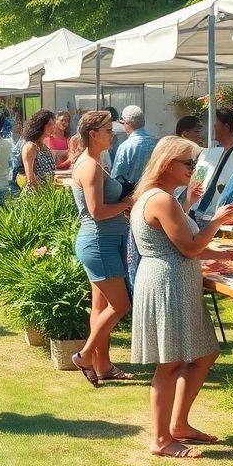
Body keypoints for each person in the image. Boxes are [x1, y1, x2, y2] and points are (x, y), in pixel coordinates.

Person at [130, 136, 233, 459]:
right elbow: (189, 247)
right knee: (170, 363)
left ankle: (178, 425)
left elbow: (182, 243)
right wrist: (218, 222)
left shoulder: (162, 197)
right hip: (168, 284)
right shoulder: (161, 200)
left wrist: (215, 252)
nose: (193, 170)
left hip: (172, 278)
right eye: (188, 164)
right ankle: (161, 439)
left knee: (204, 352)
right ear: (167, 165)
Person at [70, 111, 135, 385]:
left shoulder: (95, 162)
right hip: (100, 242)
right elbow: (96, 211)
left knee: (101, 306)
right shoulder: (90, 166)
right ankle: (85, 356)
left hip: (103, 241)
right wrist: (128, 203)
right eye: (108, 129)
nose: (113, 133)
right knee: (120, 305)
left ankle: (104, 365)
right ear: (93, 134)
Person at [113, 105, 157, 288]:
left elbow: (117, 178)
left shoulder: (126, 146)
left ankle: (136, 292)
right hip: (156, 200)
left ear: (127, 124)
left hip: (132, 203)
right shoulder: (157, 144)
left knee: (134, 252)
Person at [193, 109, 233, 217]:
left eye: (215, 125)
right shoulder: (216, 150)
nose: (212, 128)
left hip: (220, 210)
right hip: (202, 210)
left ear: (226, 127)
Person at [20, 110, 57, 191]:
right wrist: (43, 194)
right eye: (50, 124)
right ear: (40, 125)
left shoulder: (44, 147)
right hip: (36, 195)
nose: (53, 127)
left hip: (48, 192)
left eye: (54, 124)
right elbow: (31, 178)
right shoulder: (30, 146)